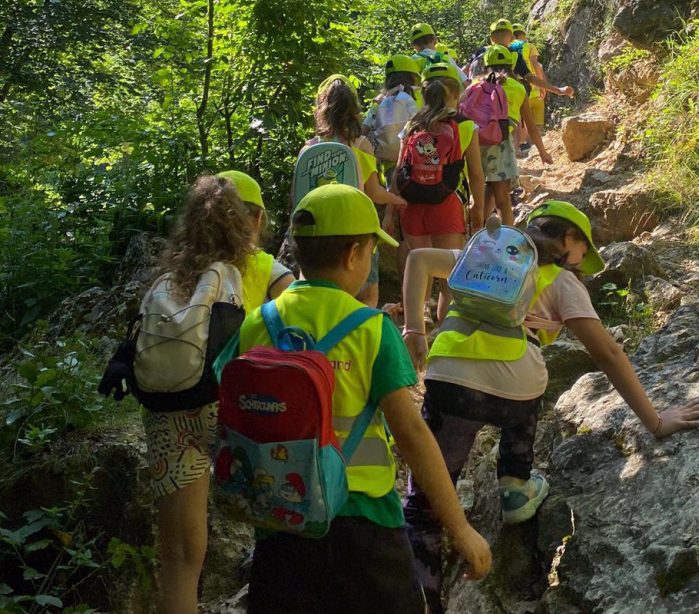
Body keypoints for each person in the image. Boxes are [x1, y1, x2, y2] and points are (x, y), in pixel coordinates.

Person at [400, 200, 699, 613]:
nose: (582, 261)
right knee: (526, 391)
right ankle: (515, 485)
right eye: (584, 250)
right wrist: (655, 421)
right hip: (516, 385)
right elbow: (609, 355)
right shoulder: (563, 282)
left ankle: (423, 603)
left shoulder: (486, 257)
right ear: (568, 238)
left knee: (424, 509)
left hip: (451, 379)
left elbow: (418, 259)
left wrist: (414, 329)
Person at [237, 184, 491, 613]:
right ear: (355, 254)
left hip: (281, 517)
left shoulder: (257, 322)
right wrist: (459, 527)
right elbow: (411, 433)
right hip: (365, 522)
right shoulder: (371, 329)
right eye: (373, 250)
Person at [144, 172, 295, 614]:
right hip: (230, 409)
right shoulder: (263, 271)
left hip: (166, 410)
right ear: (251, 220)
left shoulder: (169, 279)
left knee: (178, 555)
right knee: (278, 518)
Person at [395, 62, 485, 326]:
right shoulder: (465, 125)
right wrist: (477, 209)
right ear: (456, 94)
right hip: (446, 205)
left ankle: (415, 336)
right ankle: (444, 336)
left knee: (419, 275)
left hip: (411, 206)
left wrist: (391, 212)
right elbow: (477, 174)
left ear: (424, 93)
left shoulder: (412, 124)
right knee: (450, 278)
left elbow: (399, 170)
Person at [311, 74, 406, 308]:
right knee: (367, 296)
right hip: (356, 228)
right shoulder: (359, 145)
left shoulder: (311, 147)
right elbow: (374, 193)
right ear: (353, 109)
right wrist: (398, 200)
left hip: (318, 232)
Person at [471, 44, 553, 226]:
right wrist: (542, 151)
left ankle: (475, 236)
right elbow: (530, 126)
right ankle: (508, 239)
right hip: (501, 145)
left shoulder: (475, 85)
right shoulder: (517, 88)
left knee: (481, 196)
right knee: (503, 201)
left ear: (485, 64)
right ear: (511, 63)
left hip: (475, 144)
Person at [362, 55, 423, 280]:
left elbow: (363, 130)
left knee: (400, 229)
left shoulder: (379, 102)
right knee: (411, 228)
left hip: (389, 167)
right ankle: (420, 282)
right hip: (413, 163)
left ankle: (404, 282)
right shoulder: (413, 99)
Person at [510, 22, 547, 145]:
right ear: (523, 34)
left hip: (518, 90)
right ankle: (537, 147)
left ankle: (526, 146)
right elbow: (537, 65)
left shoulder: (507, 49)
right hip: (534, 88)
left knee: (523, 121)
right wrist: (542, 85)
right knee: (538, 124)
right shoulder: (529, 46)